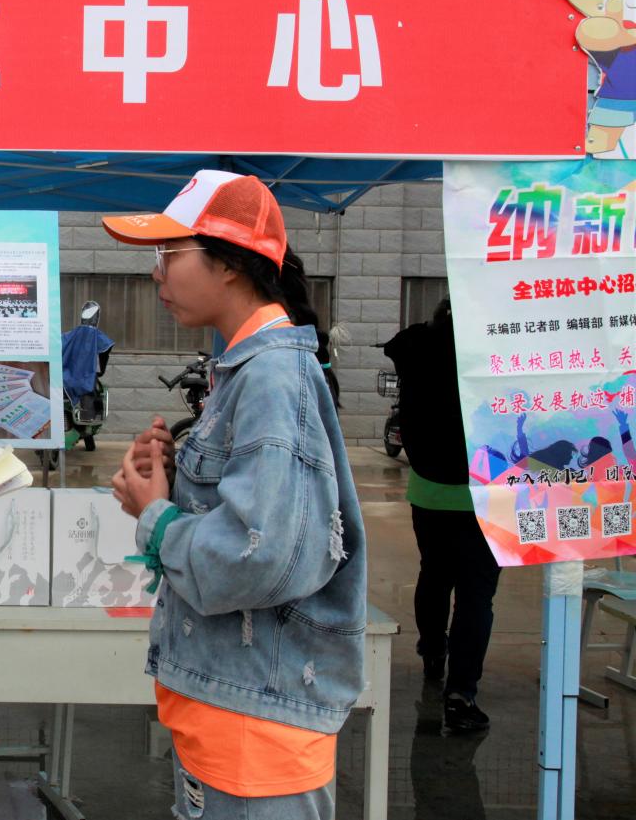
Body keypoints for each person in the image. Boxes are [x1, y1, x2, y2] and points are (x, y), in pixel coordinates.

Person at [103, 169, 366, 820]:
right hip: (236, 706)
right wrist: (169, 482)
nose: (157, 275)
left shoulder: (271, 376)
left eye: (170, 254)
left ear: (229, 264)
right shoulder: (250, 368)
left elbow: (262, 552)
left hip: (254, 724)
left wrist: (155, 515)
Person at [384, 298, 500, 731]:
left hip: (428, 490)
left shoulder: (417, 347)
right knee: (475, 596)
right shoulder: (489, 348)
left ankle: (433, 651)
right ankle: (460, 694)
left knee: (434, 575)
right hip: (485, 493)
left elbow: (400, 343)